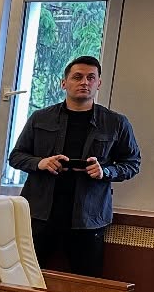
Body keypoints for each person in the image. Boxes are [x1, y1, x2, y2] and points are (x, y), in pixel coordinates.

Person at [7, 55, 141, 276]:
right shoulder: (40, 118)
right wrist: (41, 163)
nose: (84, 82)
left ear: (98, 83)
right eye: (77, 77)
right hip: (39, 214)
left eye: (91, 78)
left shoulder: (116, 122)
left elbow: (132, 163)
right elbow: (16, 157)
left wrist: (105, 171)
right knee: (28, 278)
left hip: (89, 218)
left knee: (87, 280)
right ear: (64, 83)